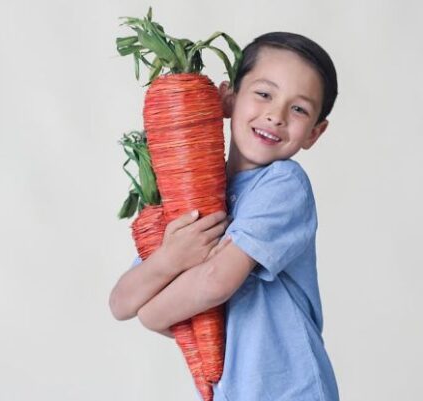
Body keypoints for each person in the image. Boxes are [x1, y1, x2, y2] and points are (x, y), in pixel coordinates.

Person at [109, 31, 339, 401]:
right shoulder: (189, 194)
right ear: (227, 98)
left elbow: (216, 281)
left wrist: (152, 314)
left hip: (292, 390)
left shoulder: (283, 184)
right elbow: (121, 302)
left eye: (298, 109)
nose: (275, 115)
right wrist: (169, 258)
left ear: (315, 132)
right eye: (264, 94)